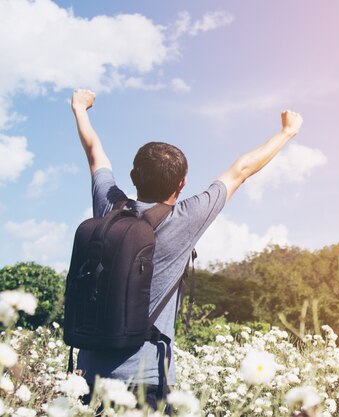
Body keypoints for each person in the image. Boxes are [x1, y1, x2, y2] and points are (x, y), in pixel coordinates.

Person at [70, 88, 303, 412]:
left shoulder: (109, 207)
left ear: (134, 176)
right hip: (147, 381)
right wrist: (286, 132)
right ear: (181, 186)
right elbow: (242, 171)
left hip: (86, 378)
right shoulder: (186, 218)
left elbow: (95, 151)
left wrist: (80, 108)